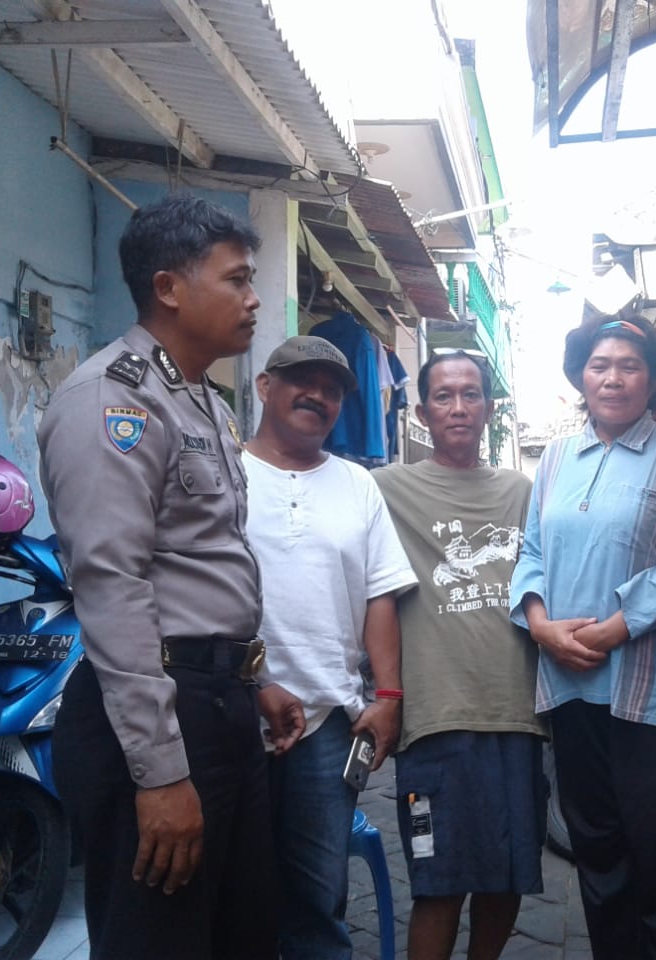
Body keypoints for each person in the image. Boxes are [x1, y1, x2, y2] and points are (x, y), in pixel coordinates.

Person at [38, 195, 276, 959]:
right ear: (168, 287)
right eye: (236, 279)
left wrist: (255, 677)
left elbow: (204, 565)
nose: (253, 298)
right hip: (160, 718)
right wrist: (161, 774)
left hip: (219, 703)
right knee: (159, 942)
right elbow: (112, 585)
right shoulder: (113, 400)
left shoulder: (200, 401)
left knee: (241, 938)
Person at [509, 310, 656, 960]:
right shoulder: (555, 459)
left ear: (653, 380)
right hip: (571, 687)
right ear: (581, 375)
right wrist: (540, 625)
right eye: (600, 365)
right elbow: (531, 551)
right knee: (597, 855)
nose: (614, 377)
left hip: (649, 691)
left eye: (630, 366)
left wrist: (612, 631)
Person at [243, 335, 417, 960]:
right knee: (232, 894)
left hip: (327, 725)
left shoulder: (356, 484)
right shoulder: (224, 473)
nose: (317, 395)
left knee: (318, 904)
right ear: (266, 387)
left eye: (333, 389)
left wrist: (387, 696)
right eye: (303, 381)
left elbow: (380, 595)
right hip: (231, 711)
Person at [374, 352, 545, 960]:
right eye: (444, 397)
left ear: (489, 409)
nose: (458, 407)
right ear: (422, 413)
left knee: (508, 877)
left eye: (471, 395)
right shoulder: (385, 489)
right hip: (435, 719)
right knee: (438, 883)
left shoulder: (521, 491)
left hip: (518, 716)